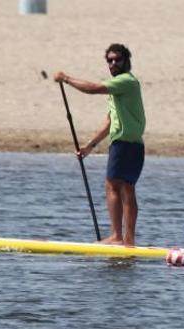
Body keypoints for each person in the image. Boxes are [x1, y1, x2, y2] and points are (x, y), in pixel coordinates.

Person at [54, 43, 146, 247]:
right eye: (110, 60)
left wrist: (66, 79)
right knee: (128, 189)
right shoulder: (121, 88)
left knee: (113, 186)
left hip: (123, 144)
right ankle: (129, 242)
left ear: (126, 61)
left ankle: (117, 236)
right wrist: (90, 146)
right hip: (135, 145)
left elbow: (94, 88)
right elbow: (110, 120)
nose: (113, 63)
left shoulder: (126, 81)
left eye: (117, 60)